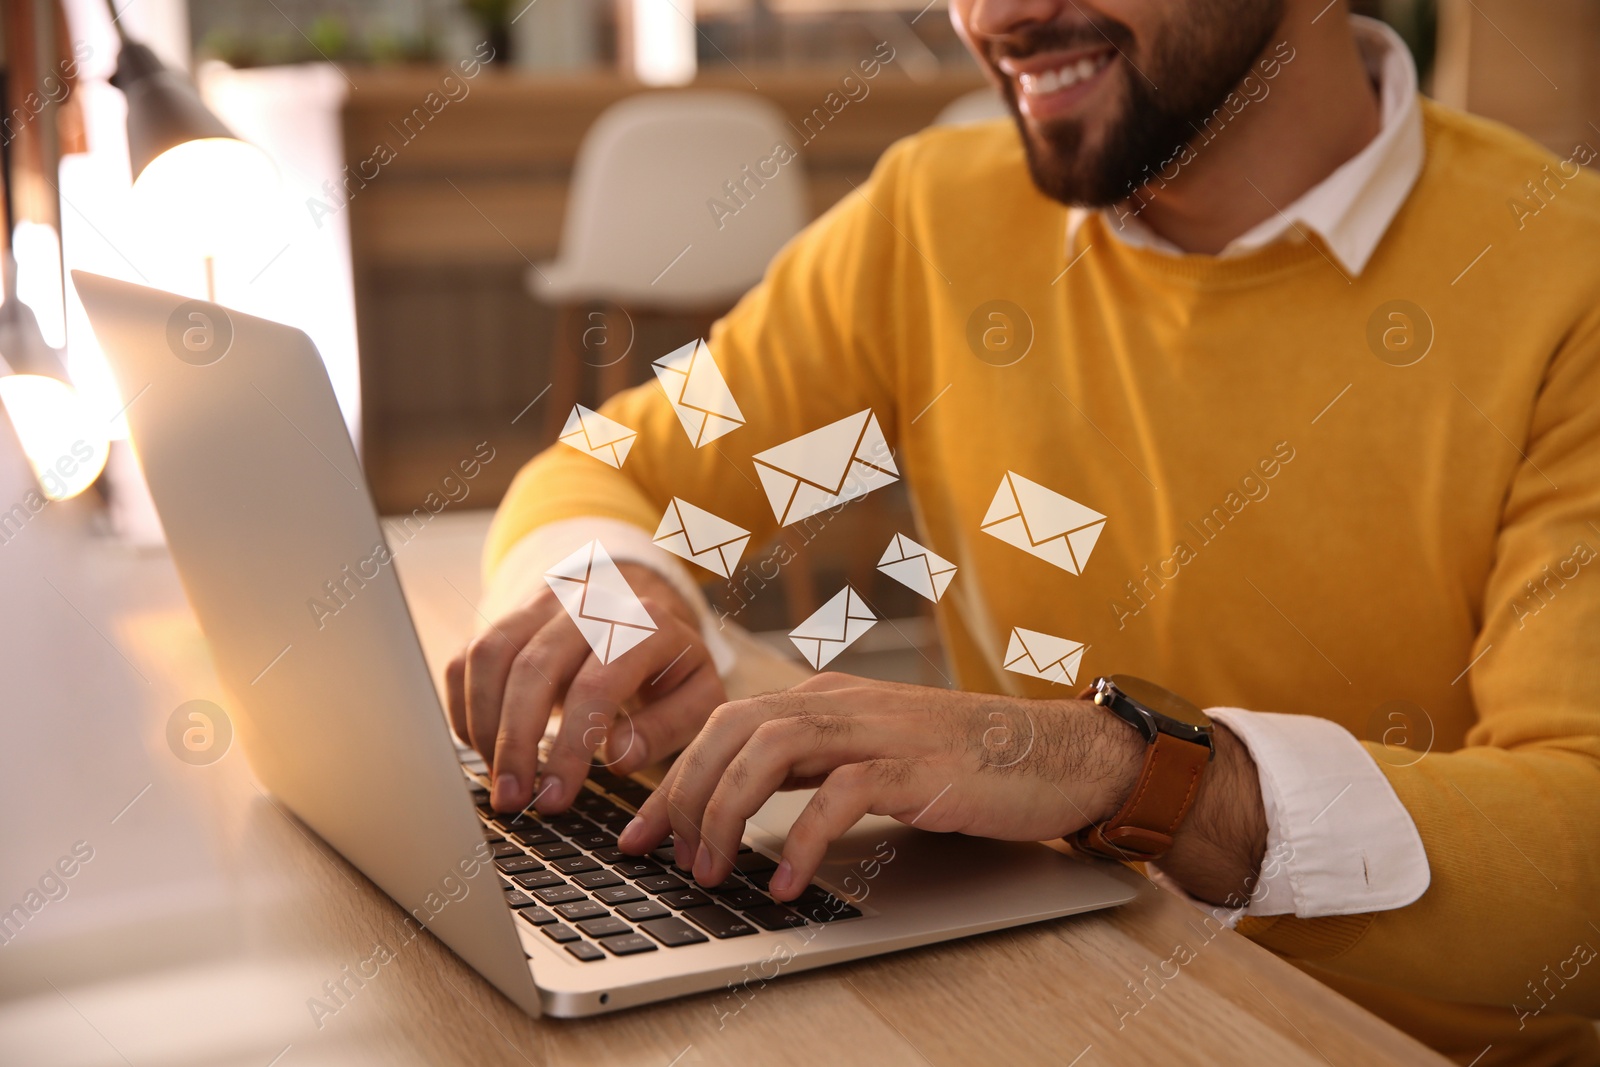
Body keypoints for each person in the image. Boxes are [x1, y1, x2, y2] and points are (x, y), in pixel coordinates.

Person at [447, 1, 1600, 1061]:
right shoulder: (931, 223)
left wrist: (1126, 773)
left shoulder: (1565, 284)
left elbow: (1578, 856)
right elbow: (622, 468)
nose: (992, 18)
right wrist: (615, 595)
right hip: (1043, 1006)